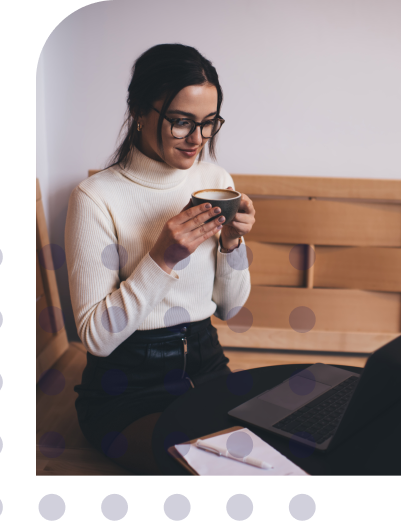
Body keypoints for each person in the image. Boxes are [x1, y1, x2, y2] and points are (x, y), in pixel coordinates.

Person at [65, 43, 256, 475]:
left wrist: (231, 245)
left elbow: (231, 307)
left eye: (209, 124)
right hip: (126, 386)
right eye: (181, 122)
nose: (197, 139)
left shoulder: (215, 180)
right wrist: (161, 260)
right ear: (140, 112)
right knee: (197, 467)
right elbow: (96, 337)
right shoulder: (96, 198)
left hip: (207, 362)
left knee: (279, 447)